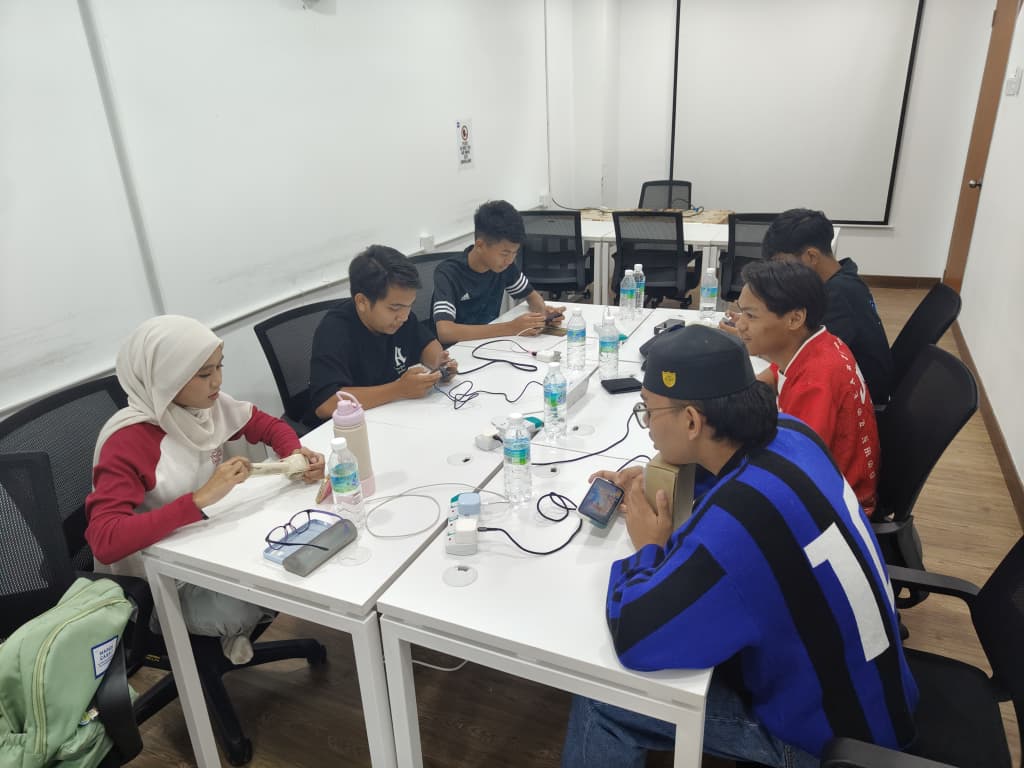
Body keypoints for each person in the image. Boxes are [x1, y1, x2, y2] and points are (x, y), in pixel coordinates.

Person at [561, 325, 917, 768]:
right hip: (881, 695)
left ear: (693, 421)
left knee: (603, 693)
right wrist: (655, 478)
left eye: (648, 411)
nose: (647, 424)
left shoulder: (737, 524)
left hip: (830, 743)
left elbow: (637, 634)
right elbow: (727, 473)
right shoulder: (793, 431)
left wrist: (648, 547)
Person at [86, 315, 325, 664]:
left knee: (297, 552)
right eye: (203, 374)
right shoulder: (128, 441)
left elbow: (268, 426)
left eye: (219, 367)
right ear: (166, 379)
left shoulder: (205, 406)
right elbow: (105, 540)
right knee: (254, 599)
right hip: (161, 582)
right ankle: (222, 636)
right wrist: (199, 500)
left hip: (209, 546)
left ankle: (229, 634)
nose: (217, 381)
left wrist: (295, 455)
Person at [734, 260, 879, 515]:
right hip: (829, 479)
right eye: (740, 313)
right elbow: (771, 376)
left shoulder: (816, 383)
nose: (740, 325)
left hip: (835, 505)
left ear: (795, 318)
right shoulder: (817, 343)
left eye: (751, 315)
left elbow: (794, 468)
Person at [721, 208, 892, 404]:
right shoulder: (843, 278)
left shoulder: (838, 297)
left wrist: (752, 335)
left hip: (855, 400)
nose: (779, 272)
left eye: (782, 264)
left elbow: (798, 354)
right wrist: (758, 322)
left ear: (811, 256)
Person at [307, 245, 456, 424]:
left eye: (410, 305)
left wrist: (439, 364)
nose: (404, 316)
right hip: (351, 426)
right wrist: (397, 390)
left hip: (394, 415)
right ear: (362, 302)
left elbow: (425, 343)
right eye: (394, 308)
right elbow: (325, 404)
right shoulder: (334, 330)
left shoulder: (401, 318)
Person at [431, 200, 564, 344]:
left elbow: (532, 296)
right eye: (505, 253)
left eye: (514, 253)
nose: (510, 260)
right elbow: (445, 332)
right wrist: (511, 328)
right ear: (480, 245)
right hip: (455, 351)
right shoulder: (449, 273)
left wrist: (541, 316)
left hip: (488, 344)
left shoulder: (504, 266)